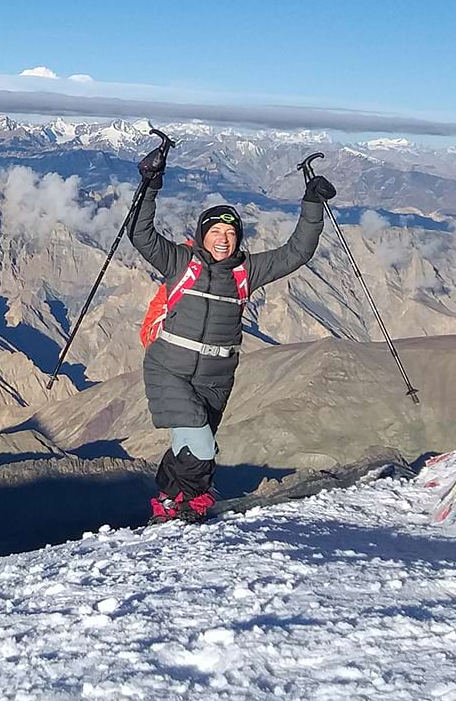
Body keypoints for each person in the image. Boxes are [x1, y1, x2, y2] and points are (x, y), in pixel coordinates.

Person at [129, 147, 334, 523]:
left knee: (188, 443)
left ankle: (169, 502)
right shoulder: (180, 261)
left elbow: (296, 253)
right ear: (201, 235)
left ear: (238, 238)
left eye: (230, 232)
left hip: (216, 376)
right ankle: (191, 503)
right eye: (215, 232)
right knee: (202, 444)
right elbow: (140, 234)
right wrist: (150, 184)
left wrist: (312, 204)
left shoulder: (247, 271)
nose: (222, 239)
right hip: (168, 367)